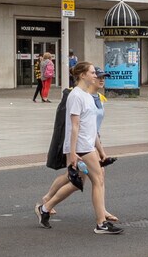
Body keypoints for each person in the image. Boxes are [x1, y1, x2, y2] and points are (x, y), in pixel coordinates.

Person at [38, 62, 120, 234]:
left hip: (88, 144)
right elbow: (74, 126)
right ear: (82, 75)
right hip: (81, 146)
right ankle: (101, 223)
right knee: (98, 179)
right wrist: (73, 152)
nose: (95, 75)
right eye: (92, 72)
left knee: (78, 183)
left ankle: (45, 208)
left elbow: (92, 127)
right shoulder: (75, 96)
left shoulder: (87, 95)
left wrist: (101, 150)